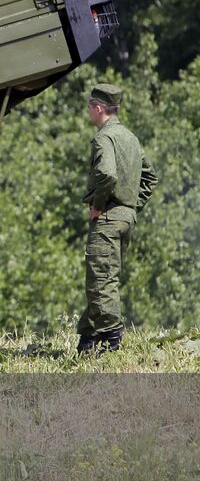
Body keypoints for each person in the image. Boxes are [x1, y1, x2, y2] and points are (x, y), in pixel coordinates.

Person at [78, 83, 158, 354]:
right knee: (104, 279)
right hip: (125, 218)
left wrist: (99, 206)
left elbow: (107, 174)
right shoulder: (130, 138)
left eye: (90, 107)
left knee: (101, 280)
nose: (89, 112)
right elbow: (150, 177)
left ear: (98, 108)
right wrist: (132, 207)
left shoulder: (104, 138)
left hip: (109, 217)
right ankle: (88, 340)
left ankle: (112, 339)